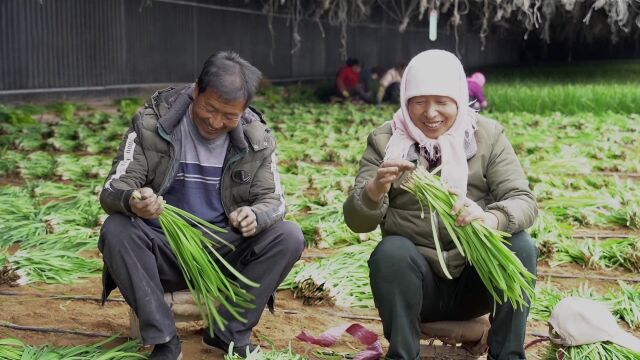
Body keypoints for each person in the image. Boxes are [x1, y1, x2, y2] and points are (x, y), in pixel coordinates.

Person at [98, 51, 304, 360]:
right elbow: (114, 188)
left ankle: (227, 335)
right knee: (116, 229)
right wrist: (135, 201)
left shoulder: (256, 136)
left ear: (244, 111)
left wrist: (255, 216)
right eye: (210, 108)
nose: (216, 122)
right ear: (196, 91)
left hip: (221, 253)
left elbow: (274, 201)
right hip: (162, 250)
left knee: (288, 235)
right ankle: (165, 339)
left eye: (229, 116)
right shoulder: (152, 124)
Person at [343, 50, 537, 360]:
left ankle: (507, 354)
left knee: (521, 244)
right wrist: (376, 188)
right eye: (418, 102)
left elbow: (523, 201)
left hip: (477, 279)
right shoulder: (385, 141)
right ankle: (403, 354)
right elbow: (357, 222)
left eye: (442, 102)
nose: (430, 113)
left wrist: (490, 219)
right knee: (391, 251)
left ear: (459, 99)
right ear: (405, 101)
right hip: (419, 287)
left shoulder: (486, 136)